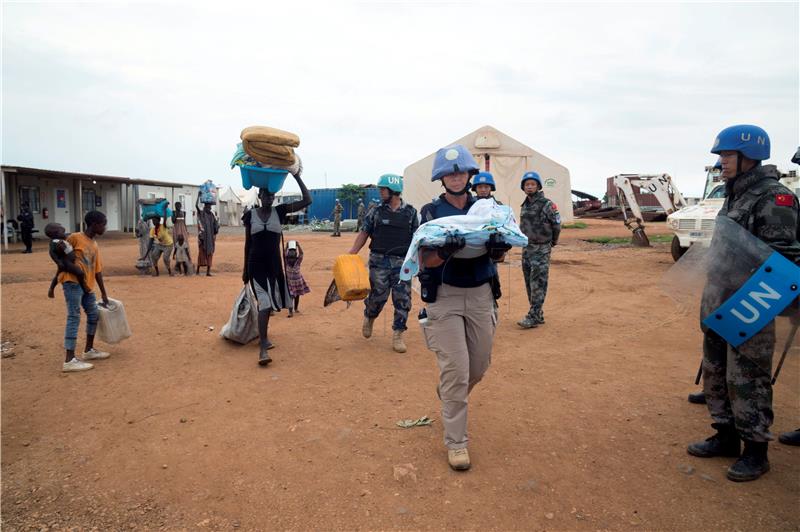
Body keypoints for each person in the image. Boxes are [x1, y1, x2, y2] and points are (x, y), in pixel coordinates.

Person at [687, 125, 800, 482]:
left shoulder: (774, 197)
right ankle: (725, 435)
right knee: (717, 369)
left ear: (748, 156)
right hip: (720, 299)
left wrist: (746, 294)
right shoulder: (735, 194)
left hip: (749, 305)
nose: (721, 162)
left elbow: (783, 259)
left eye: (725, 155)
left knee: (748, 376)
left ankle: (756, 450)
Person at [417, 144, 510, 471]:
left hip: (482, 294)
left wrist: (499, 248)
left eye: (460, 172)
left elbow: (497, 254)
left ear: (470, 174)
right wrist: (445, 252)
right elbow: (425, 259)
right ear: (441, 178)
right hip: (445, 296)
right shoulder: (431, 212)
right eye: (448, 173)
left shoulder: (488, 209)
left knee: (479, 365)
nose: (455, 177)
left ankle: (449, 391)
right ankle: (456, 443)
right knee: (457, 371)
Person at [242, 168, 311, 366]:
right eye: (265, 195)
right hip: (256, 267)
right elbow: (248, 244)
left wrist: (295, 175)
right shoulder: (250, 216)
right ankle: (263, 346)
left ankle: (263, 336)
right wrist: (245, 269)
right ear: (260, 196)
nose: (269, 198)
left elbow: (307, 200)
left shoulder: (280, 212)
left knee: (270, 304)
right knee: (264, 304)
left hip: (274, 267)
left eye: (271, 195)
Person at [348, 174, 418, 353]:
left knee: (402, 299)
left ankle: (398, 334)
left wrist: (418, 260)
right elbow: (364, 233)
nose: (380, 192)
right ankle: (370, 316)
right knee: (377, 297)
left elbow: (416, 238)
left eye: (383, 189)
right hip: (379, 262)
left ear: (394, 191)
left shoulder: (410, 212)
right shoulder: (376, 212)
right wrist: (351, 253)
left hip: (402, 263)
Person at [57, 211, 111, 373]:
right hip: (72, 283)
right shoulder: (74, 238)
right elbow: (60, 256)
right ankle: (69, 359)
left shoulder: (94, 244)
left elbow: (97, 270)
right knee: (74, 316)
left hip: (87, 286)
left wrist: (104, 293)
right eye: (103, 224)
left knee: (94, 315)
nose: (105, 227)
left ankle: (88, 350)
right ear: (94, 224)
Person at [517, 171, 561, 329]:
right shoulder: (525, 205)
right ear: (523, 187)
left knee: (538, 282)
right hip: (527, 248)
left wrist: (553, 241)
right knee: (529, 282)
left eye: (532, 184)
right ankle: (538, 312)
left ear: (538, 186)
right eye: (527, 185)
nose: (529, 187)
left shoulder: (547, 204)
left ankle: (534, 315)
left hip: (541, 248)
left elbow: (557, 224)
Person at [45, 223, 89, 298]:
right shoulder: (54, 242)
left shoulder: (61, 239)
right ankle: (84, 286)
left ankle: (51, 289)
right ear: (55, 234)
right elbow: (52, 253)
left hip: (67, 261)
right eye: (62, 232)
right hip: (66, 262)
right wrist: (58, 262)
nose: (64, 233)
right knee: (80, 273)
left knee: (58, 274)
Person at [284, 240, 310, 318]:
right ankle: (290, 311)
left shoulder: (297, 262)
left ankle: (296, 308)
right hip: (290, 283)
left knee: (297, 296)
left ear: (296, 258)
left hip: (298, 282)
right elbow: (284, 254)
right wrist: (286, 247)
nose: (291, 260)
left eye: (292, 258)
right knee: (291, 296)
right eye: (290, 258)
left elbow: (301, 253)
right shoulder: (287, 262)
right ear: (287, 258)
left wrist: (298, 246)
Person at [196, 196, 219, 276]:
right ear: (204, 207)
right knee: (201, 254)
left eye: (209, 207)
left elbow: (215, 225)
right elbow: (196, 206)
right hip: (202, 238)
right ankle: (197, 270)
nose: (208, 208)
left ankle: (208, 272)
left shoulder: (212, 215)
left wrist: (217, 226)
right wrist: (198, 196)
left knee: (210, 254)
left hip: (210, 239)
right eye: (207, 207)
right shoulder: (202, 213)